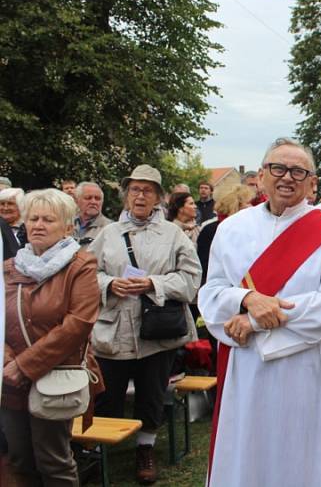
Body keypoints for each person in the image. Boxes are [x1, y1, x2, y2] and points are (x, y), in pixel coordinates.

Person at [199, 138, 321, 486]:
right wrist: (246, 298)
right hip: (247, 368)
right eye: (278, 168)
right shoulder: (231, 228)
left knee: (300, 458)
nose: (287, 177)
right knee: (247, 454)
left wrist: (254, 321)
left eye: (298, 171)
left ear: (312, 181)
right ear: (261, 176)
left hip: (306, 368)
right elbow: (210, 293)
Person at [89, 165, 200, 484]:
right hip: (114, 330)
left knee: (151, 394)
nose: (140, 195)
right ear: (125, 195)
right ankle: (100, 452)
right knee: (107, 396)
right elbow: (86, 276)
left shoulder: (173, 234)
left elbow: (193, 280)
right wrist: (110, 284)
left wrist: (153, 283)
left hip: (158, 332)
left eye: (147, 190)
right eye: (135, 189)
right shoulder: (107, 234)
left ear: (159, 198)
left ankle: (145, 449)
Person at [2, 189, 104, 486]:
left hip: (55, 378)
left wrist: (24, 366)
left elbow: (78, 324)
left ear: (67, 227)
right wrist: (9, 363)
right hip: (9, 381)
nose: (38, 225)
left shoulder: (80, 266)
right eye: (33, 218)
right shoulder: (9, 269)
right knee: (19, 459)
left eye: (48, 219)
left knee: (53, 461)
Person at [196, 185, 254, 286]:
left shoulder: (251, 227)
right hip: (221, 288)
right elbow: (204, 265)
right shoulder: (210, 230)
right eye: (248, 203)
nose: (252, 206)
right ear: (236, 205)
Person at [73, 182, 111, 247]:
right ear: (76, 200)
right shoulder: (65, 224)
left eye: (97, 198)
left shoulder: (109, 228)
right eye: (88, 198)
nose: (93, 202)